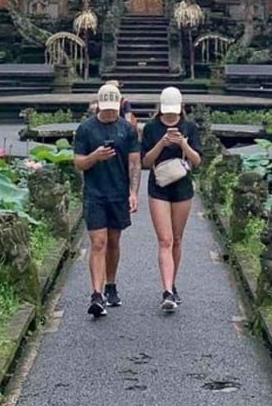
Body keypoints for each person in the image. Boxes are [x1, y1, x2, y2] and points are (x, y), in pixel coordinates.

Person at [73, 81, 140, 317]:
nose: (111, 113)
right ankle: (96, 293)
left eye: (114, 108)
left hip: (118, 191)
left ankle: (110, 284)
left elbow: (134, 163)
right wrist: (95, 156)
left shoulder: (127, 130)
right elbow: (79, 162)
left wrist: (133, 192)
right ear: (99, 105)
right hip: (95, 192)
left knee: (113, 241)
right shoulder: (86, 129)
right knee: (98, 242)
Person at [140, 86, 202, 311]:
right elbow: (145, 162)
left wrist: (183, 143)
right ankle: (166, 290)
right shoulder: (151, 128)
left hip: (182, 187)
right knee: (164, 239)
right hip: (159, 186)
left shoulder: (189, 127)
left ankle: (172, 283)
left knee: (176, 238)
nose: (170, 117)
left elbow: (197, 161)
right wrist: (162, 143)